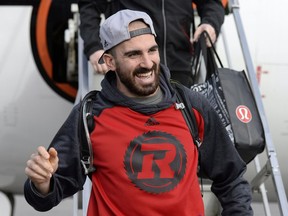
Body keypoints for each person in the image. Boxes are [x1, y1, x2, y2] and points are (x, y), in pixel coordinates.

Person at [24, 9, 253, 216]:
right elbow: (46, 197)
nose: (147, 63)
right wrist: (42, 183)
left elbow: (231, 177)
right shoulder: (89, 116)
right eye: (133, 54)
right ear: (110, 62)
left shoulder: (191, 105)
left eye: (152, 50)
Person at [78, 0, 225, 87]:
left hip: (179, 62)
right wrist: (94, 47)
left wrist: (211, 24)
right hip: (131, 64)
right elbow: (90, 6)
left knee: (180, 127)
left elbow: (211, 3)